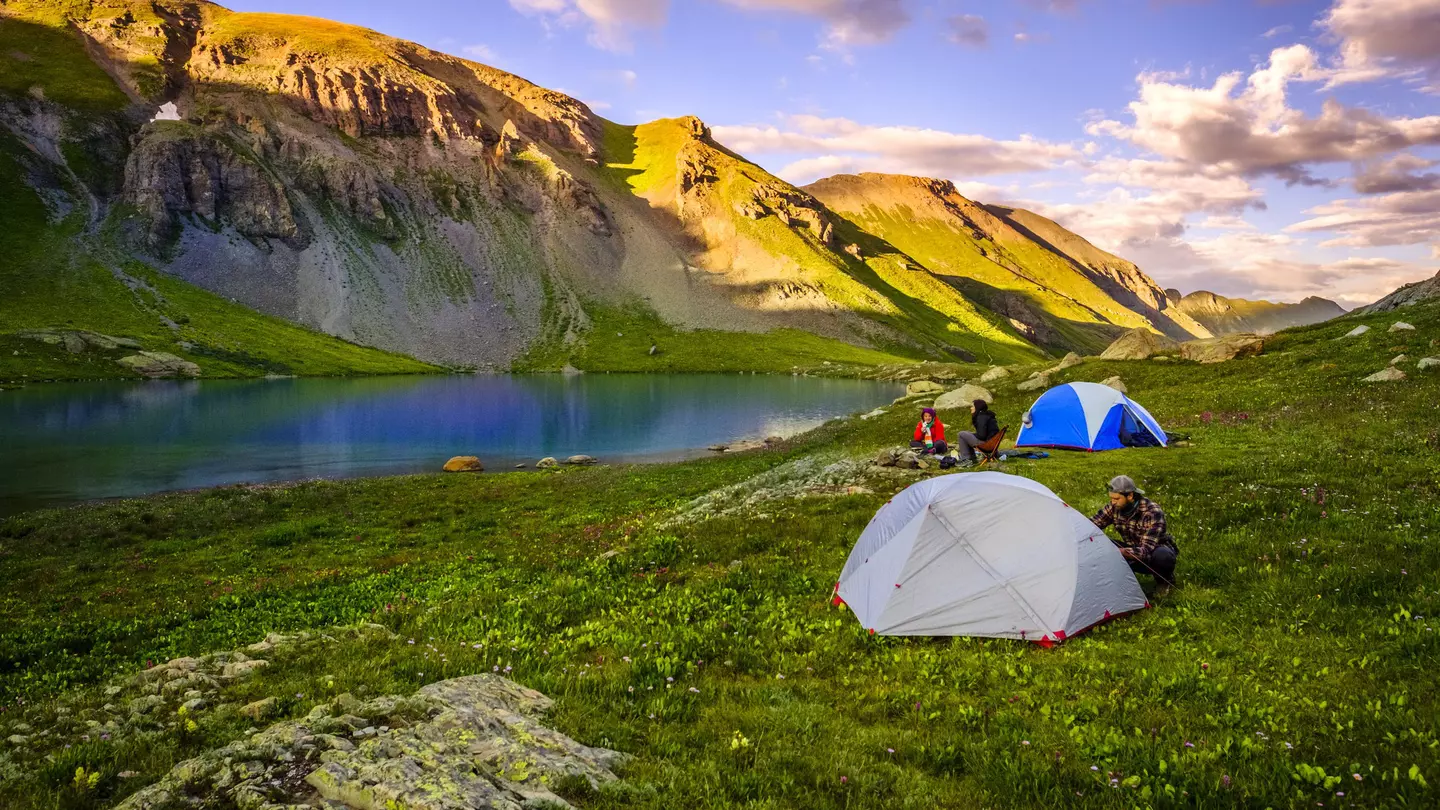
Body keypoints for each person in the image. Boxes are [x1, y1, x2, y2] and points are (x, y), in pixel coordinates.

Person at [1091, 475, 1178, 588]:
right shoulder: (1114, 507)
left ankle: (1165, 582)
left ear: (1130, 496)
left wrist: (1116, 552)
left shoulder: (1152, 512)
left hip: (1152, 552)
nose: (1113, 502)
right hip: (1131, 549)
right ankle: (1122, 584)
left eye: (1116, 499)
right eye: (1111, 498)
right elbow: (1091, 525)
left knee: (1163, 556)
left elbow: (1145, 551)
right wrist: (1072, 521)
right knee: (1099, 543)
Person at [953, 399, 999, 466]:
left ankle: (966, 459)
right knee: (967, 433)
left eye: (972, 406)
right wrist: (971, 434)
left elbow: (981, 436)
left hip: (986, 445)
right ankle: (971, 458)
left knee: (961, 434)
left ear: (977, 407)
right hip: (992, 444)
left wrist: (972, 435)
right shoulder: (986, 415)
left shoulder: (981, 417)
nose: (971, 408)